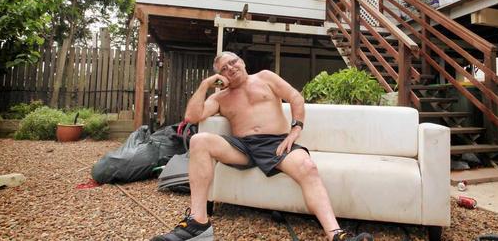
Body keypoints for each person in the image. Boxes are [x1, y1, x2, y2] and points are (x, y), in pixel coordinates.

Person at [151, 52, 373, 241]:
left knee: (308, 168)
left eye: (233, 62)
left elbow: (295, 97)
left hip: (276, 143)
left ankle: (335, 234)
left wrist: (295, 130)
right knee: (199, 140)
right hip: (243, 147)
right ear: (220, 76)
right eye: (224, 68)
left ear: (243, 62)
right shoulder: (220, 97)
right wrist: (205, 84)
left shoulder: (265, 77)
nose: (231, 68)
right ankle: (198, 222)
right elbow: (192, 116)